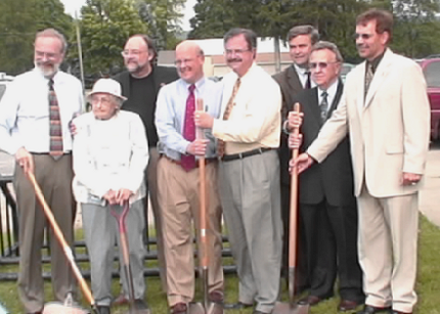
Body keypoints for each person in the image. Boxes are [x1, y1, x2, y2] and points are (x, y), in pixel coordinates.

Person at [292, 9, 430, 314]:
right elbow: (339, 121)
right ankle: (377, 297)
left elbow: (418, 121)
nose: (360, 41)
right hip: (364, 175)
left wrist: (414, 165)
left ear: (384, 36)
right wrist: (311, 154)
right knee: (371, 243)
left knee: (402, 244)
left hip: (397, 173)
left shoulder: (405, 70)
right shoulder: (354, 76)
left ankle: (403, 301)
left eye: (366, 35)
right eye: (357, 35)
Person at [195, 28, 282, 314]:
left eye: (238, 51)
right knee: (239, 235)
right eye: (229, 51)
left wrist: (213, 125)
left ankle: (268, 300)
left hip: (256, 162)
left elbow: (254, 130)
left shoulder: (265, 85)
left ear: (253, 53)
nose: (232, 56)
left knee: (262, 235)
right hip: (228, 164)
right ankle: (248, 292)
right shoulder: (229, 81)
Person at [0, 28, 84, 313]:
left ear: (61, 55)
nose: (44, 58)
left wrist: (78, 126)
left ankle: (65, 294)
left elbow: (78, 120)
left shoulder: (72, 84)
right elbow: (1, 126)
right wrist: (17, 148)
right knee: (30, 234)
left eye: (50, 54)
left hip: (65, 163)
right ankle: (32, 299)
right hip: (31, 163)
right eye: (39, 53)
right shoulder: (19, 85)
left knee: (63, 234)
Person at [285, 41, 364, 311]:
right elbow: (295, 138)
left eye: (322, 65)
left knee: (346, 237)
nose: (316, 70)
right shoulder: (302, 100)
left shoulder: (350, 95)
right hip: (310, 181)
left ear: (337, 67)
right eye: (312, 66)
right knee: (317, 239)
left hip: (341, 179)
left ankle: (352, 289)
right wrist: (289, 130)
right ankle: (320, 287)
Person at [155, 40, 224, 314]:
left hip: (206, 169)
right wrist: (187, 146)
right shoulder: (168, 93)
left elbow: (222, 125)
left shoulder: (218, 91)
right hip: (173, 167)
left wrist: (208, 142)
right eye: (179, 62)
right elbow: (163, 128)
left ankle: (213, 285)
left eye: (188, 61)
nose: (183, 66)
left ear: (201, 60)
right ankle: (180, 295)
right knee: (176, 234)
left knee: (209, 228)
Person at [72, 78, 149, 314]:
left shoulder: (131, 121)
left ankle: (134, 293)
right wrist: (104, 190)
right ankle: (102, 298)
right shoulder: (81, 124)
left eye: (104, 100)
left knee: (134, 248)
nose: (98, 104)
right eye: (95, 99)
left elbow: (140, 153)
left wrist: (129, 186)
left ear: (117, 103)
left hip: (129, 195)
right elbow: (81, 164)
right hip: (94, 196)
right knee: (100, 250)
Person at [113, 34, 179, 298]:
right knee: (129, 226)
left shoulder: (170, 77)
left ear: (150, 55)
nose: (130, 56)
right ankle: (130, 289)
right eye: (126, 52)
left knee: (168, 225)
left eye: (135, 52)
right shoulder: (117, 83)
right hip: (128, 161)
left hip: (161, 156)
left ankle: (173, 287)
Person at [273, 24, 319, 293]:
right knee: (292, 223)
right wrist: (287, 126)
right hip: (290, 161)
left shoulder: (325, 74)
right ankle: (296, 276)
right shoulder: (279, 81)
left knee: (319, 223)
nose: (297, 51)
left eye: (302, 45)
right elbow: (275, 118)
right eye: (293, 47)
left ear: (313, 46)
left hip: (322, 160)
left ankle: (323, 275)